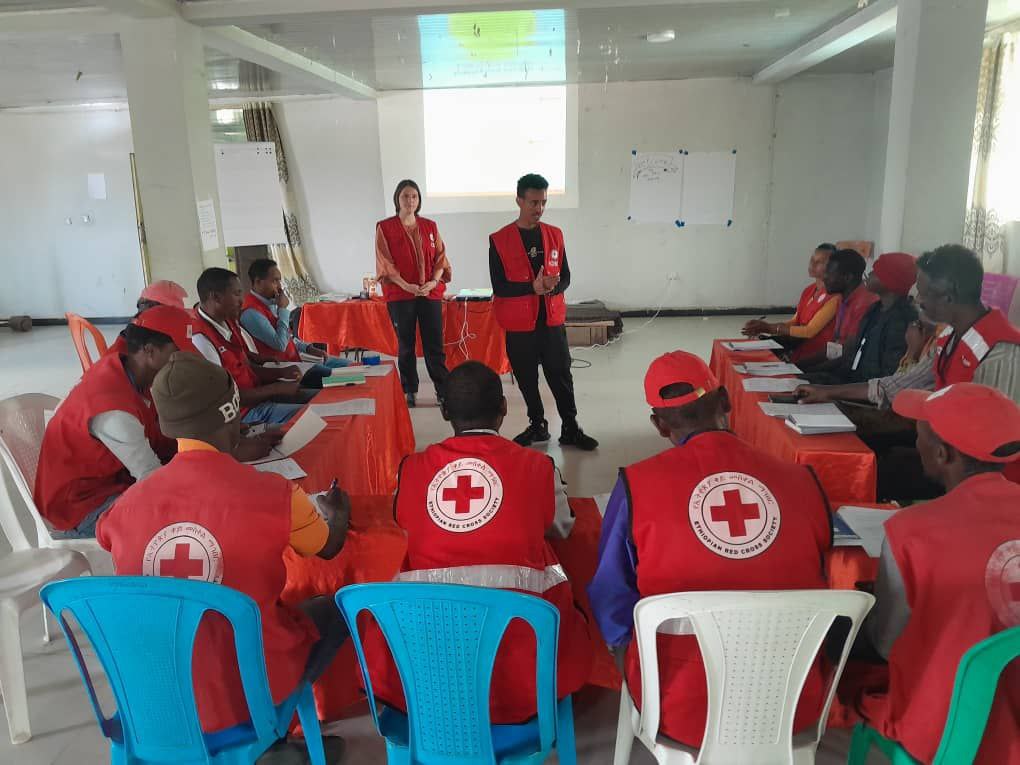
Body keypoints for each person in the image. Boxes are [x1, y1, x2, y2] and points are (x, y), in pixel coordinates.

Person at [96, 353, 351, 761]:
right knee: (333, 609)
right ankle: (276, 738)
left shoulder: (126, 505)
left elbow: (108, 539)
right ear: (232, 413)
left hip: (152, 693)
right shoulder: (275, 494)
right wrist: (337, 515)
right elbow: (328, 546)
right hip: (246, 694)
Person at [588, 350, 832, 748]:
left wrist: (623, 648)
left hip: (682, 705)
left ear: (659, 425)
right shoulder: (803, 481)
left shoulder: (636, 486)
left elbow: (610, 595)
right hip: (793, 698)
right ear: (726, 401)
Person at [362, 361, 592, 723]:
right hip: (521, 662)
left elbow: (406, 523)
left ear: (443, 411)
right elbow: (561, 529)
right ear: (503, 408)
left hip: (430, 663)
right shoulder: (538, 466)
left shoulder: (412, 469)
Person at [845, 383, 1020, 764]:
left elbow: (889, 643)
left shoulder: (910, 530)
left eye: (919, 435)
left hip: (948, 723)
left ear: (943, 455)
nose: (916, 442)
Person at [795, 245, 1020, 498]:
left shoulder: (1002, 352)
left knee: (882, 470)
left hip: (983, 479)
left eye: (923, 293)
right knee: (857, 445)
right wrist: (827, 393)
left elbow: (1000, 445)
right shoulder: (950, 335)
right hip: (945, 450)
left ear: (948, 296)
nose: (918, 301)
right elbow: (902, 383)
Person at [34, 307, 197, 538]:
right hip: (79, 511)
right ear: (150, 352)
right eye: (178, 354)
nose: (184, 363)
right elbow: (152, 479)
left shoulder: (132, 374)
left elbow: (158, 438)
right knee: (185, 518)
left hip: (109, 484)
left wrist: (205, 443)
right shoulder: (112, 406)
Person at [489, 173, 598, 450]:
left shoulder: (554, 235)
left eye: (543, 203)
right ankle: (537, 425)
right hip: (519, 326)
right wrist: (532, 288)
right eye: (533, 202)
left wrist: (551, 288)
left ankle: (571, 428)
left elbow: (566, 277)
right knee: (527, 378)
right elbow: (500, 287)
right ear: (519, 200)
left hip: (551, 322)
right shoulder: (499, 240)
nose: (539, 209)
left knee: (561, 375)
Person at [191, 267, 311, 425]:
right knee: (312, 417)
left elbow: (246, 366)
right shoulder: (201, 340)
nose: (242, 300)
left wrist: (280, 372)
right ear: (216, 297)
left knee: (319, 400)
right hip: (244, 415)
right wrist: (276, 388)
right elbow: (226, 398)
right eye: (236, 294)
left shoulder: (228, 320)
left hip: (259, 395)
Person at [375, 179, 451, 408]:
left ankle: (443, 390)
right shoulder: (385, 227)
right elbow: (385, 261)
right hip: (400, 296)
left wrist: (433, 282)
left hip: (429, 294)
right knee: (406, 344)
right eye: (405, 196)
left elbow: (440, 258)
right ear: (397, 199)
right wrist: (405, 285)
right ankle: (409, 389)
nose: (410, 200)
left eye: (414, 196)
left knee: (434, 344)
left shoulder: (430, 226)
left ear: (419, 201)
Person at [801, 252, 918, 385]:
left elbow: (887, 377)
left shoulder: (901, 320)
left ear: (890, 281)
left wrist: (831, 389)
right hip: (854, 380)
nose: (868, 274)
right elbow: (853, 356)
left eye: (875, 271)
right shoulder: (875, 309)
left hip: (868, 391)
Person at [240, 258, 351, 388]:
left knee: (350, 366)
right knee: (345, 378)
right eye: (275, 281)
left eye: (279, 280)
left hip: (298, 361)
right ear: (258, 282)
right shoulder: (251, 313)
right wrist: (282, 309)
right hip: (285, 372)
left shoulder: (270, 303)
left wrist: (308, 348)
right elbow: (280, 344)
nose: (279, 287)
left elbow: (287, 336)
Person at [742, 243, 839, 361]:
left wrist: (769, 328)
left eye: (819, 262)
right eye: (812, 259)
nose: (812, 264)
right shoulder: (809, 290)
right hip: (795, 344)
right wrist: (763, 327)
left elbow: (809, 331)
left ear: (832, 267)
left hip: (814, 355)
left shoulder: (835, 297)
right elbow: (795, 321)